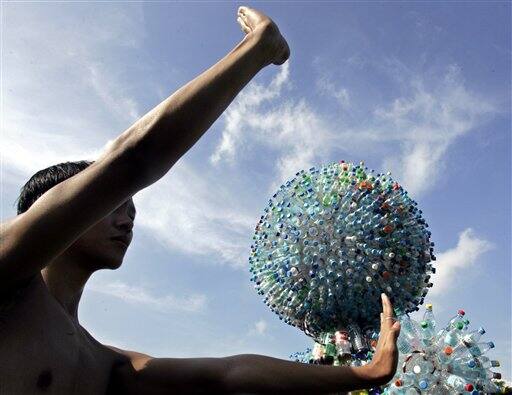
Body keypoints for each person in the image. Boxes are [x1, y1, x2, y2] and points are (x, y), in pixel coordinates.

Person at [0, 6, 401, 394]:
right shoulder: (9, 274)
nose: (127, 222)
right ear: (56, 207)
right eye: (112, 205)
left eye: (131, 212)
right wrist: (256, 50)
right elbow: (130, 161)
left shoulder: (99, 361)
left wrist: (366, 373)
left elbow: (228, 374)